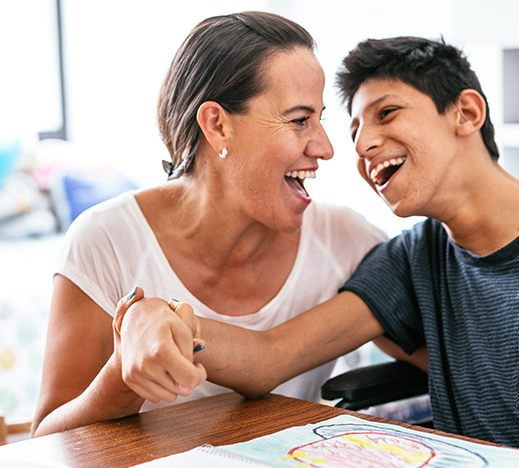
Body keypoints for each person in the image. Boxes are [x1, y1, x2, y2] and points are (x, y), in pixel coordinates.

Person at [116, 36, 519, 468]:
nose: (361, 145)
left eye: (387, 114)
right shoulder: (417, 256)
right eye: (353, 129)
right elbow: (270, 356)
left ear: (466, 114)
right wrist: (161, 319)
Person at [30, 12, 387, 438]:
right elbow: (47, 442)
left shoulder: (345, 239)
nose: (326, 148)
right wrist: (123, 372)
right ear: (217, 125)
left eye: (320, 118)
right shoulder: (105, 241)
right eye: (298, 120)